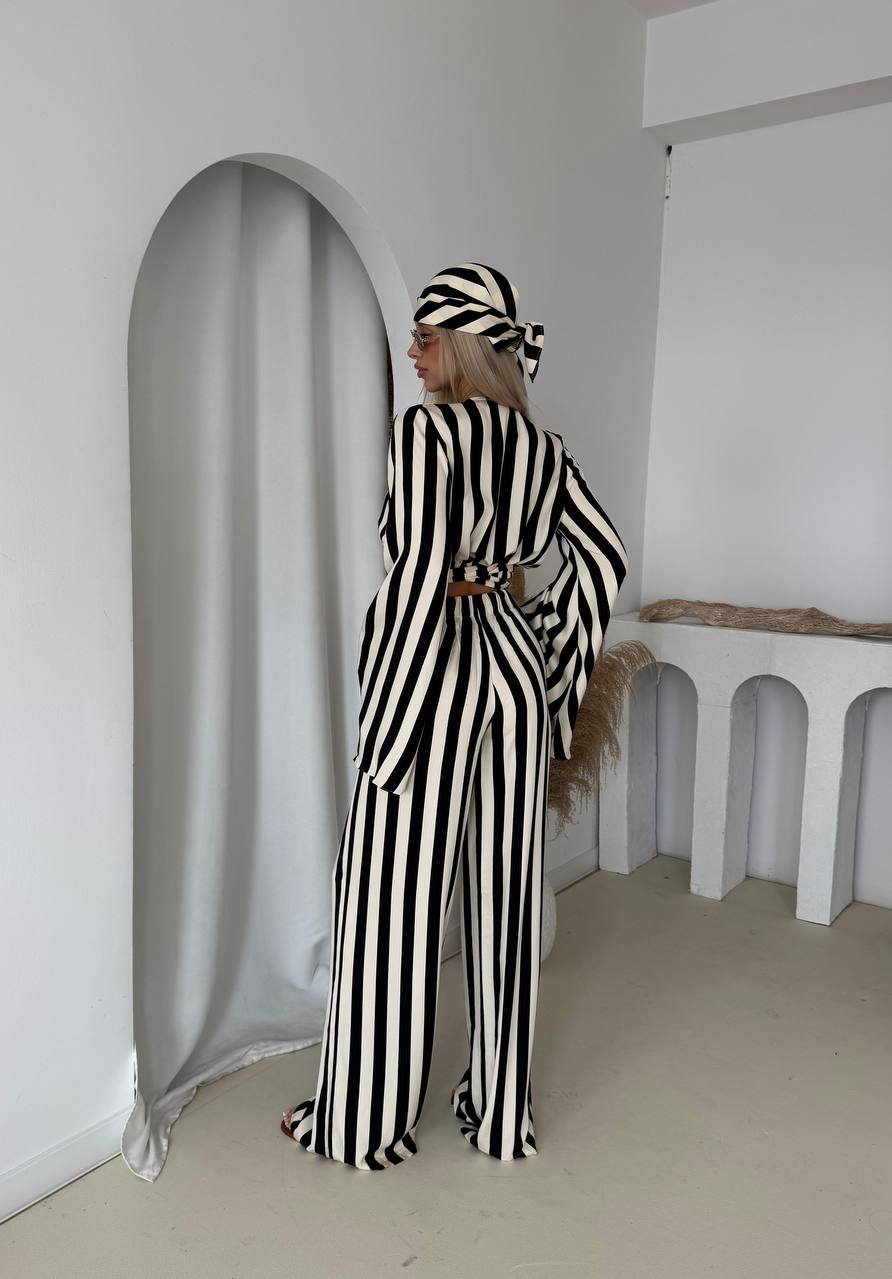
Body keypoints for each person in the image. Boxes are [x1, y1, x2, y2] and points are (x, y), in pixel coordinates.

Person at [280, 262, 628, 1170]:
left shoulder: (427, 431)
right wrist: (550, 659)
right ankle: (498, 1110)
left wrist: (389, 709)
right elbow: (603, 556)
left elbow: (418, 571)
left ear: (466, 347)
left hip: (434, 668)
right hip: (512, 662)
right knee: (506, 893)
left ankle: (364, 1119)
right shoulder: (543, 447)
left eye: (426, 338)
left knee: (389, 899)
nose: (412, 352)